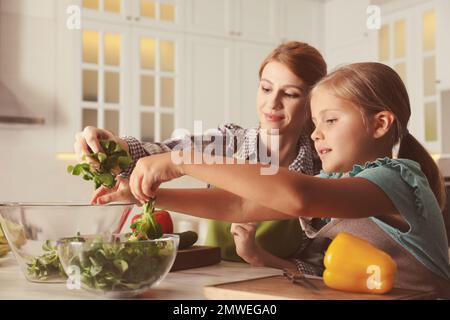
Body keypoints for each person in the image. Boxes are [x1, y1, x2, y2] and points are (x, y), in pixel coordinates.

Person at [92, 62, 450, 297]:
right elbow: (240, 204)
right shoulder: (341, 182)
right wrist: (150, 196)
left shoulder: (396, 178)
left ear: (381, 123)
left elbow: (299, 197)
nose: (316, 135)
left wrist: (183, 160)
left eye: (330, 121)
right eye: (315, 124)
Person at [74, 41, 328, 271]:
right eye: (266, 88)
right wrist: (112, 147)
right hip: (211, 281)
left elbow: (317, 268)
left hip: (283, 291)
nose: (273, 103)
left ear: (312, 103)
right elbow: (158, 152)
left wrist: (259, 257)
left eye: (290, 94)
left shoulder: (322, 170)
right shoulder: (227, 142)